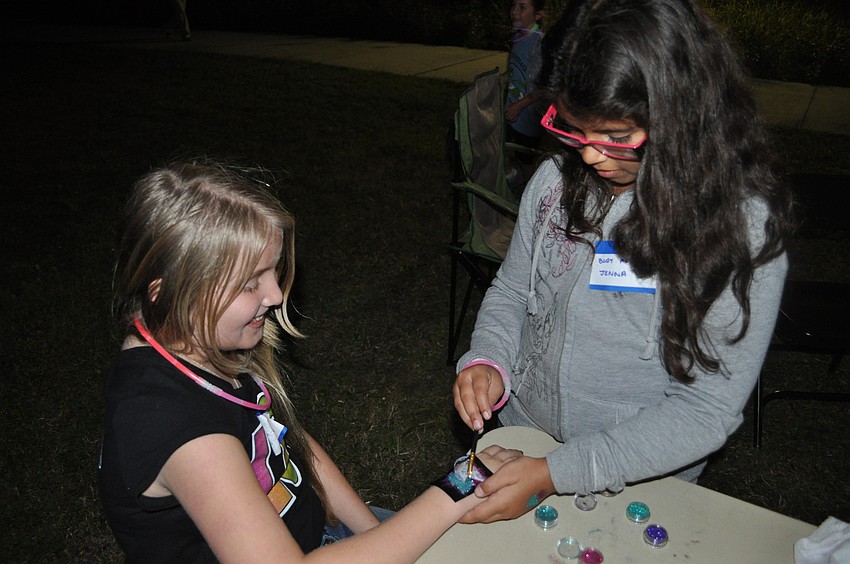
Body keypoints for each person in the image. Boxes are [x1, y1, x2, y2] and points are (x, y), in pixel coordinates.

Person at [453, 0, 795, 524]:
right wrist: (487, 357)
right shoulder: (553, 184)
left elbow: (704, 411)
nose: (589, 156)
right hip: (522, 436)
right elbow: (512, 290)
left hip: (636, 474)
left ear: (685, 119)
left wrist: (557, 472)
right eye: (573, 128)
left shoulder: (738, 231)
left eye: (616, 138)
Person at [98, 162, 520, 561]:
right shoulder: (173, 426)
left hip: (323, 541)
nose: (276, 296)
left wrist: (372, 533)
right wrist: (457, 486)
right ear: (167, 292)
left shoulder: (200, 347)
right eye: (250, 284)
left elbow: (290, 444)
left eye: (273, 272)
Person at [504, 0, 546, 185]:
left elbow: (543, 87)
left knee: (526, 159)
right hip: (511, 109)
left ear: (538, 14)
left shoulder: (539, 43)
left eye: (522, 7)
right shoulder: (518, 38)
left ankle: (530, 194)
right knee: (503, 149)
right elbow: (514, 72)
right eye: (513, 6)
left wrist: (519, 106)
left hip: (528, 116)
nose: (514, 12)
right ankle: (513, 180)